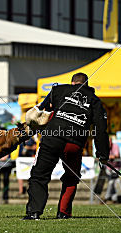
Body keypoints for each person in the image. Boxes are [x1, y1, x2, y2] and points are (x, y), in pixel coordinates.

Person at [23, 72, 109, 220]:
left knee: (39, 175)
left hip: (52, 138)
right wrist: (103, 155)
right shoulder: (95, 101)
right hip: (74, 144)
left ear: (72, 82)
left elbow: (40, 111)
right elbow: (100, 130)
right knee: (71, 177)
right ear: (87, 85)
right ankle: (63, 213)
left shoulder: (58, 90)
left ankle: (34, 212)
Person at [93, 138, 121, 203]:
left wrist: (107, 157)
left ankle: (107, 197)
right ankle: (114, 198)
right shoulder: (104, 147)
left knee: (112, 182)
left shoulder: (115, 146)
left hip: (116, 167)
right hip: (108, 167)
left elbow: (115, 156)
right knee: (115, 182)